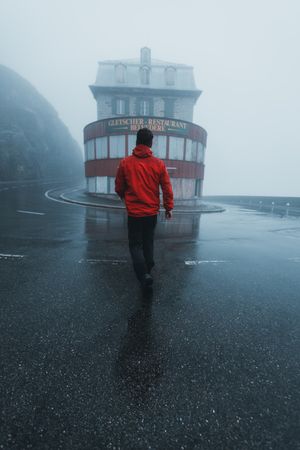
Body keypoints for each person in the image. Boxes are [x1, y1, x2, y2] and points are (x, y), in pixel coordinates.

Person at [115, 128, 174, 289]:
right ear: (150, 143)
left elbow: (119, 186)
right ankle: (148, 268)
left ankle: (143, 274)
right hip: (151, 213)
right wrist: (168, 207)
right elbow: (167, 187)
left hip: (134, 213)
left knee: (135, 244)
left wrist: (123, 196)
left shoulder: (125, 163)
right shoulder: (158, 164)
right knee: (148, 241)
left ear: (137, 141)